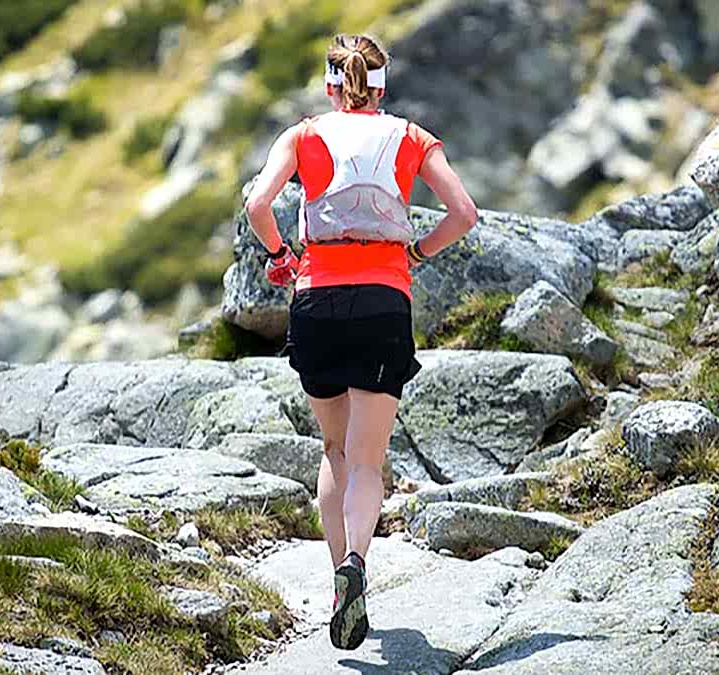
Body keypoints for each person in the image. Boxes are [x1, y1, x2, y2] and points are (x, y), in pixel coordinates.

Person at [244, 33, 478, 651]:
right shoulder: (410, 137)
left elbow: (257, 203)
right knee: (368, 460)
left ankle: (336, 582)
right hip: (384, 300)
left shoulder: (302, 134)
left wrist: (282, 257)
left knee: (333, 449)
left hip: (316, 297)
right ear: (381, 87)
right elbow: (463, 212)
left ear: (330, 86)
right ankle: (359, 567)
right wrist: (417, 251)